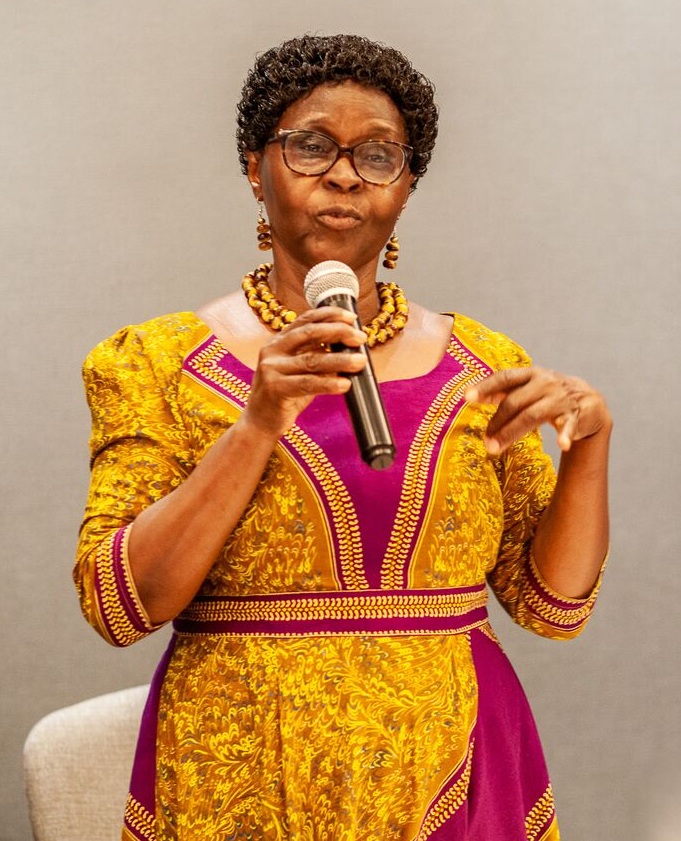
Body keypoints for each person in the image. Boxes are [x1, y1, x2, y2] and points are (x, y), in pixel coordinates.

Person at [74, 33, 612, 841]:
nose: (343, 174)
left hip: (454, 762)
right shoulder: (154, 362)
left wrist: (590, 446)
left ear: (407, 185)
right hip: (243, 765)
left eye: (377, 155)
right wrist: (257, 422)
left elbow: (551, 606)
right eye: (311, 145)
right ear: (254, 167)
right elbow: (119, 605)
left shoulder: (482, 364)